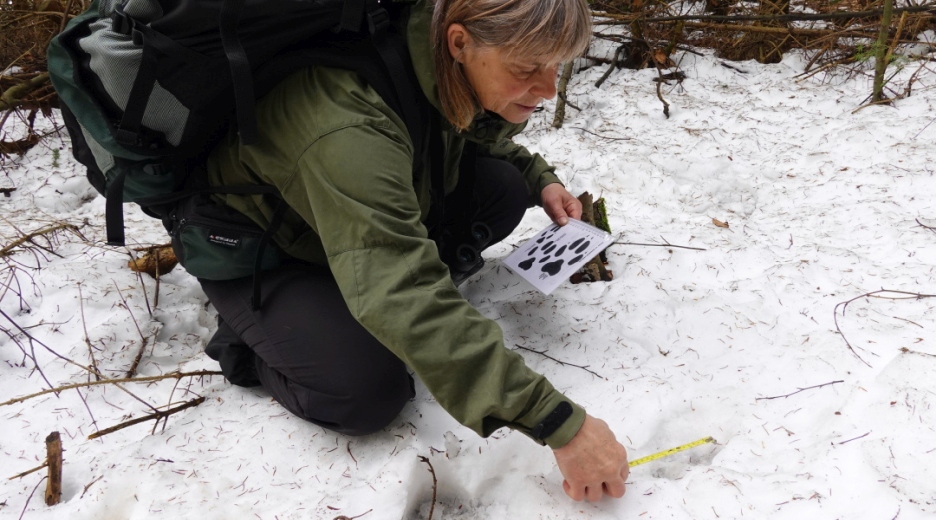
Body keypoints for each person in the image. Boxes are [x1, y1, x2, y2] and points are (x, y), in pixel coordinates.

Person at [192, 0, 628, 502]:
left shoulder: (425, 51)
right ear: (461, 42)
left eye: (556, 67)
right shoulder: (348, 126)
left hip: (348, 220)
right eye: (528, 67)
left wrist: (538, 179)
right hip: (263, 251)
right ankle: (249, 342)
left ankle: (377, 298)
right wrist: (558, 422)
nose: (549, 88)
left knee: (504, 187)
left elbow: (461, 129)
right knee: (365, 391)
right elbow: (399, 283)